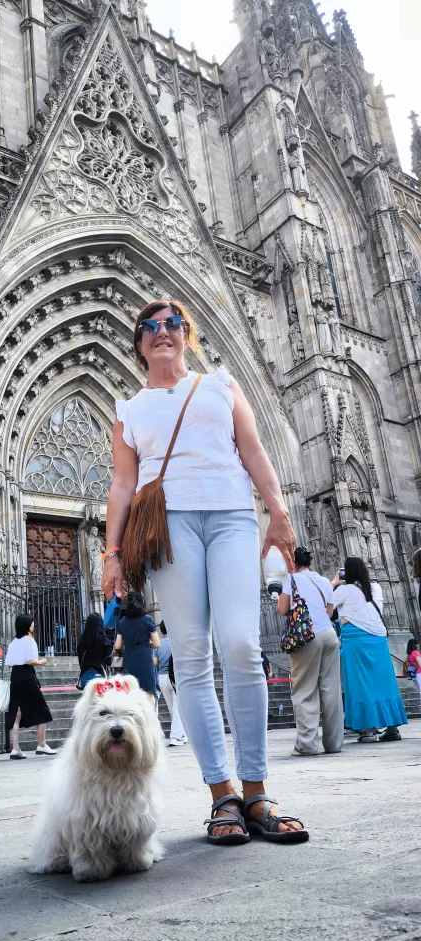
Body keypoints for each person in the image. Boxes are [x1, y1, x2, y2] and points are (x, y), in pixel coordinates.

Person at [102, 299, 308, 844]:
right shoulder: (129, 410)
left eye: (173, 324)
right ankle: (222, 795)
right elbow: (122, 484)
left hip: (232, 517)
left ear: (187, 334)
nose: (162, 332)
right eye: (149, 327)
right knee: (192, 658)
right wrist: (111, 552)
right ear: (139, 343)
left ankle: (256, 791)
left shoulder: (221, 385)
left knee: (240, 645)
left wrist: (278, 512)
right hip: (169, 527)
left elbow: (254, 450)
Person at [332, 557, 407, 743]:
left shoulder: (344, 590)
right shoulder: (376, 587)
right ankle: (392, 728)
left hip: (355, 639)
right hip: (378, 638)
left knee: (360, 683)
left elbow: (326, 605)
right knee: (384, 681)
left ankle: (368, 730)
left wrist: (333, 583)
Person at [277, 546, 343, 756]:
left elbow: (282, 609)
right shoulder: (323, 581)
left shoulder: (291, 580)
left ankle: (307, 744)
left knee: (304, 689)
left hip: (306, 637)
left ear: (292, 562)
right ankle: (334, 743)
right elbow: (329, 612)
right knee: (331, 690)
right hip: (329, 635)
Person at [4, 614, 56, 758]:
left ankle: (15, 748)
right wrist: (42, 662)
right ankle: (41, 744)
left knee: (15, 713)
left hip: (15, 676)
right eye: (32, 623)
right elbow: (31, 661)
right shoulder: (29, 640)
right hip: (27, 676)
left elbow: (8, 662)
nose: (33, 625)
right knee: (42, 709)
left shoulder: (13, 643)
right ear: (27, 625)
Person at [113, 591, 160, 699]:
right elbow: (157, 643)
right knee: (148, 692)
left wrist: (129, 645)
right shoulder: (147, 619)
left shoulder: (122, 622)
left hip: (129, 659)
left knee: (131, 692)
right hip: (144, 659)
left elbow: (117, 646)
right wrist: (146, 644)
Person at [157, 621, 187, 747]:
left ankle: (182, 734)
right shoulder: (176, 642)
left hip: (161, 677)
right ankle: (175, 736)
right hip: (174, 677)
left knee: (172, 708)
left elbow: (154, 662)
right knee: (177, 708)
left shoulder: (158, 644)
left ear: (161, 630)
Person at [77, 612, 113, 688]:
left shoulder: (82, 641)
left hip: (86, 676)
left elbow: (81, 660)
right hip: (100, 676)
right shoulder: (104, 641)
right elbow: (109, 662)